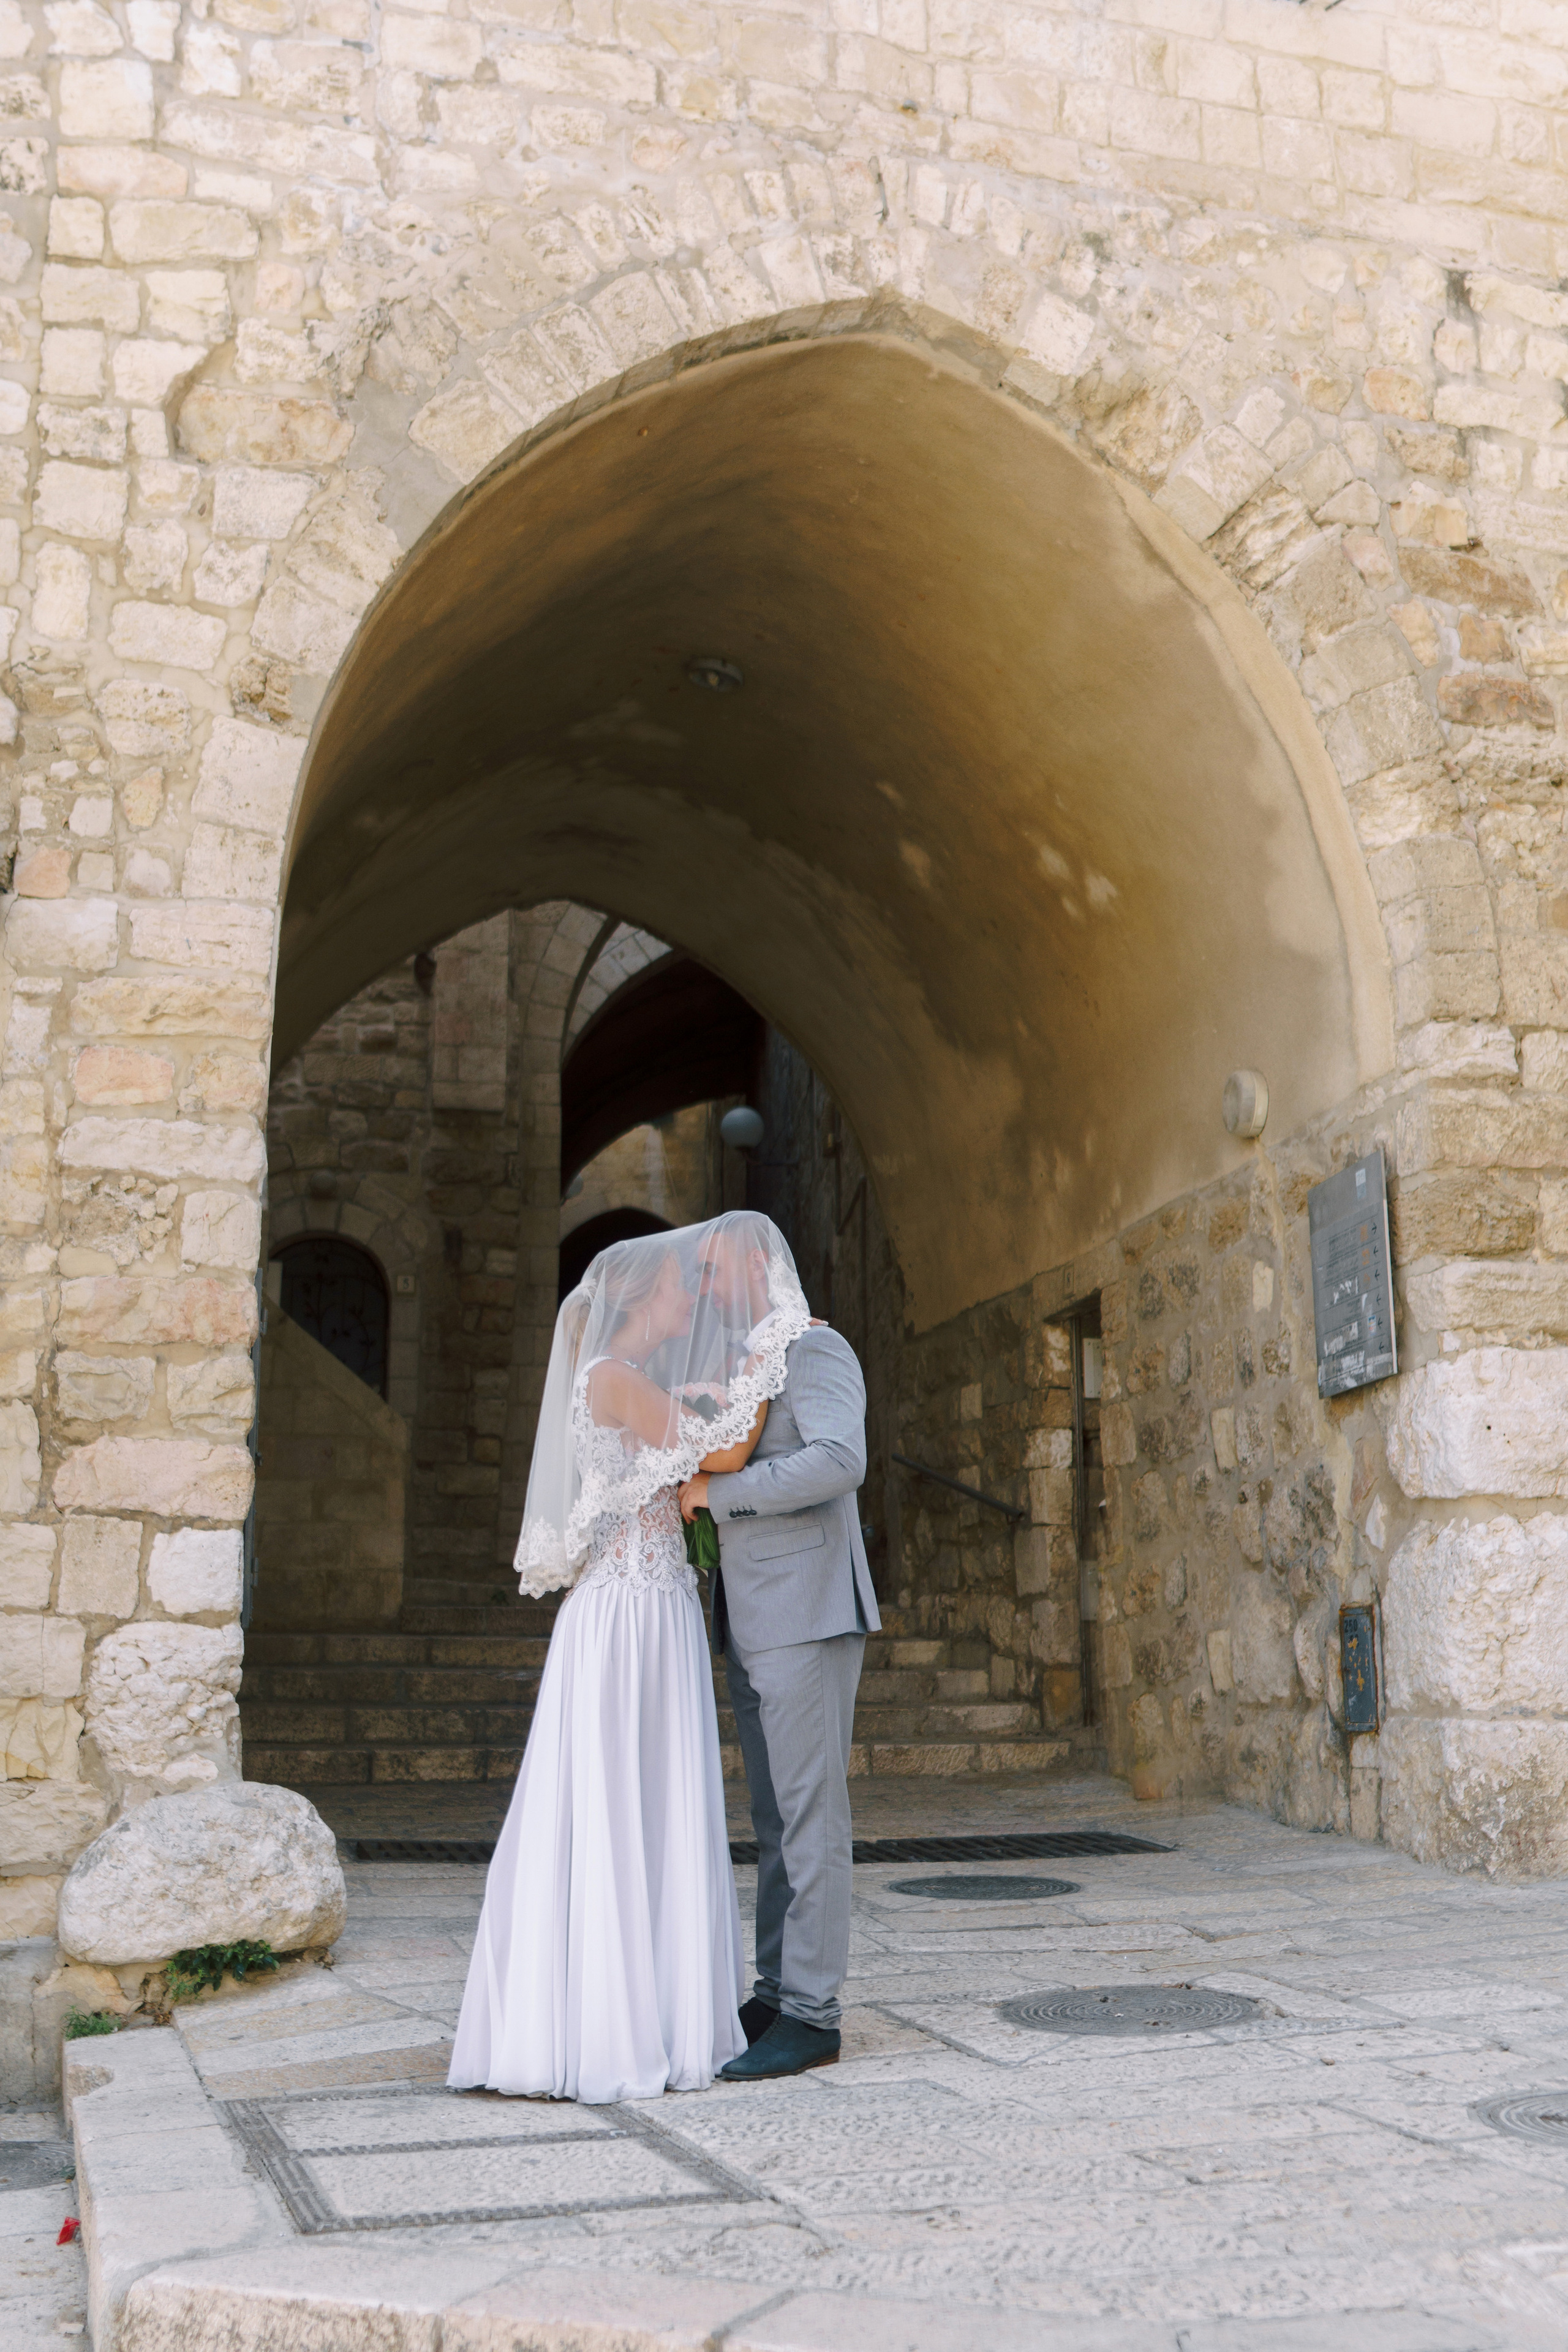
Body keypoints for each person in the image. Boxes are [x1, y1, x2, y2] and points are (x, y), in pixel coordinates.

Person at [447, 1213, 811, 2104]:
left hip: (660, 1612)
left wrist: (704, 1394)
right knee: (615, 1804)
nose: (697, 1293)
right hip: (625, 1617)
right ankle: (603, 2030)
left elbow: (688, 1450)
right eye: (685, 1282)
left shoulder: (638, 1379)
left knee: (654, 1807)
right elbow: (721, 1453)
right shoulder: (611, 1379)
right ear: (645, 1296)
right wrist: (771, 1355)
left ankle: (647, 2011)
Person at [679, 1219, 880, 2081]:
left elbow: (840, 1458)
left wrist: (721, 1496)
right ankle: (775, 1989)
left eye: (714, 1274)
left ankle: (814, 2014)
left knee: (811, 1816)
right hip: (752, 1614)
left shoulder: (817, 1348)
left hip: (806, 1609)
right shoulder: (746, 1361)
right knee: (770, 1819)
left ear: (759, 1267)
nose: (705, 1291)